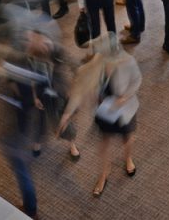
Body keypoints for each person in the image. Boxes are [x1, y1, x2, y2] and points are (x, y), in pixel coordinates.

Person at [58, 33, 141, 198]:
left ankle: (128, 158)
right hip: (104, 110)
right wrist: (67, 114)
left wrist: (125, 97)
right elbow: (79, 89)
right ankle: (104, 174)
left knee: (127, 138)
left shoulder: (127, 61)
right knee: (104, 145)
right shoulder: (95, 65)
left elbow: (137, 80)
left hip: (124, 109)